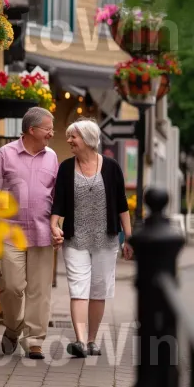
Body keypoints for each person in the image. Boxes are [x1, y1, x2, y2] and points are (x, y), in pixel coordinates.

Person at [50, 118, 133, 358]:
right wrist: (54, 224)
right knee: (78, 288)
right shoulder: (66, 167)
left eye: (72, 137)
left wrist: (128, 238)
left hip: (106, 240)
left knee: (98, 290)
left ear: (87, 139)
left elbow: (122, 205)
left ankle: (93, 340)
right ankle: (80, 341)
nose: (69, 141)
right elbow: (59, 202)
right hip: (75, 240)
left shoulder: (112, 167)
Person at [0, 107, 58, 360]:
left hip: (42, 233)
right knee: (12, 287)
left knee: (40, 290)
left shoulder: (52, 157)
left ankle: (35, 340)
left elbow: (56, 196)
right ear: (31, 130)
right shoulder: (5, 154)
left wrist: (57, 225)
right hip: (9, 232)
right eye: (48, 128)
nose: (51, 133)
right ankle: (14, 328)